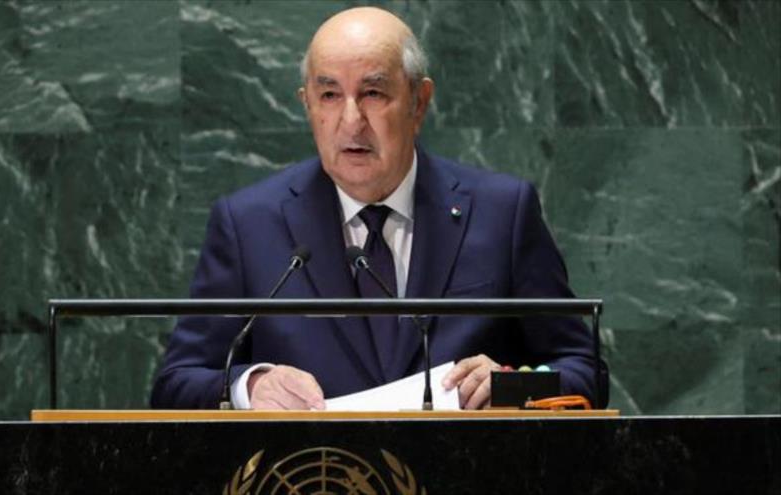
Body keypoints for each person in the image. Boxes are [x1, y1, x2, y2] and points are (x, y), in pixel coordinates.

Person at [151, 6, 602, 410]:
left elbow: (583, 371)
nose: (351, 121)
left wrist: (511, 386)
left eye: (372, 93)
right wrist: (250, 386)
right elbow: (176, 383)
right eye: (329, 96)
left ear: (419, 102)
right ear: (307, 104)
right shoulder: (248, 224)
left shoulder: (503, 213)